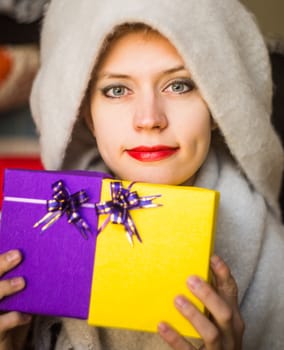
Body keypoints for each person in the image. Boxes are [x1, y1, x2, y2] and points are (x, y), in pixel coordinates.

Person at [1, 0, 284, 349]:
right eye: (117, 90)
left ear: (217, 103)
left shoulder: (275, 261)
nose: (149, 119)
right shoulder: (29, 235)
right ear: (85, 112)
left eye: (179, 85)